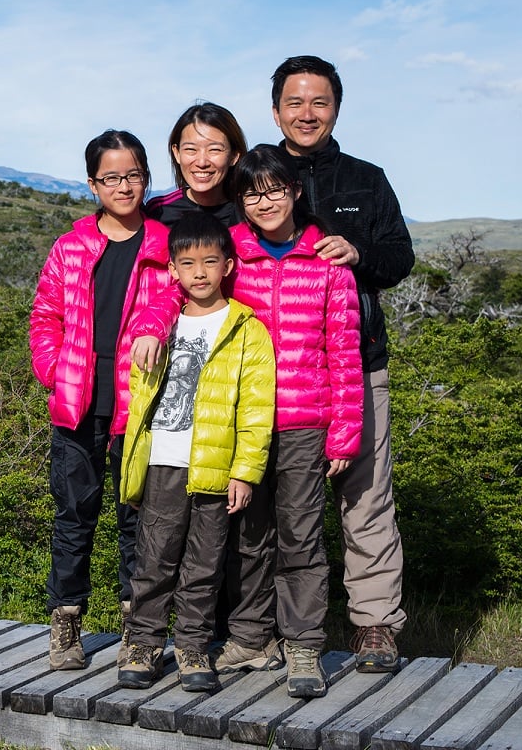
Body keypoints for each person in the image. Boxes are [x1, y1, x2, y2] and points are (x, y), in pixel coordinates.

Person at [134, 144, 364, 697]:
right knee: (248, 537)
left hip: (307, 421)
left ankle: (304, 647)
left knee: (301, 538)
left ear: (295, 192)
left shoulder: (328, 263)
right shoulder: (229, 253)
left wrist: (345, 430)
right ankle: (250, 637)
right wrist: (150, 325)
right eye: (253, 193)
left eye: (275, 190)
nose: (264, 201)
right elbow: (177, 291)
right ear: (241, 201)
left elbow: (346, 351)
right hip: (239, 425)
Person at [271, 55, 415, 673]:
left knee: (366, 497)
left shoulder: (367, 179)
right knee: (270, 502)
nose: (308, 114)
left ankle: (376, 626)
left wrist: (358, 252)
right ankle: (265, 628)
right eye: (295, 102)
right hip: (273, 373)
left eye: (319, 102)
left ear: (336, 108)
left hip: (360, 362)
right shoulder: (254, 173)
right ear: (276, 109)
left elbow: (399, 258)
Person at [29, 129, 174, 670]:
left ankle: (138, 630)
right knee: (74, 516)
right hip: (78, 404)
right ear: (93, 184)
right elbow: (44, 316)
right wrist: (54, 370)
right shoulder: (71, 247)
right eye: (111, 177)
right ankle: (66, 625)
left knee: (139, 520)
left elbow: (178, 303)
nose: (124, 186)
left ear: (146, 178)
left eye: (133, 175)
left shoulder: (164, 244)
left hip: (142, 406)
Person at [115, 212, 275, 692]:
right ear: (173, 270)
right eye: (188, 263)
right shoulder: (158, 326)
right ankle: (141, 643)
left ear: (228, 264)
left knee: (204, 566)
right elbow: (138, 401)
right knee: (153, 560)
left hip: (215, 467)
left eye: (210, 261)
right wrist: (134, 471)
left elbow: (256, 409)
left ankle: (191, 647)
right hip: (163, 461)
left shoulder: (248, 330)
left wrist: (245, 473)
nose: (200, 272)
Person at [145, 102, 248, 229]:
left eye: (214, 149)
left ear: (234, 156)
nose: (202, 162)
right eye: (191, 149)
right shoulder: (158, 211)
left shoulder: (248, 211)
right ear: (177, 153)